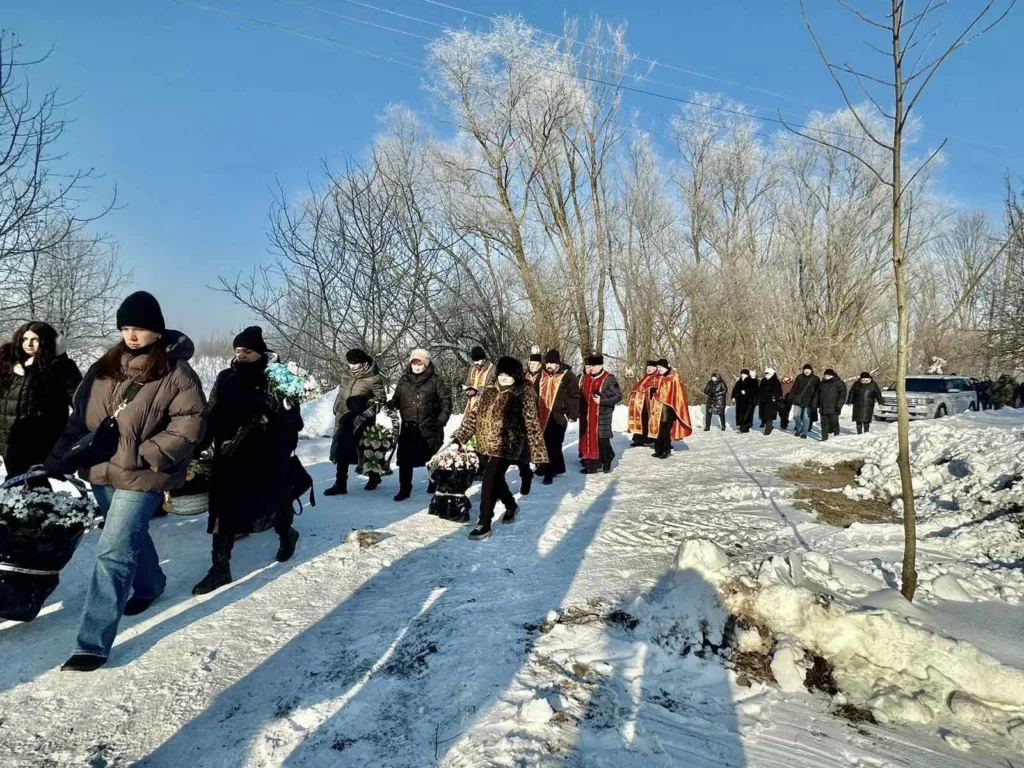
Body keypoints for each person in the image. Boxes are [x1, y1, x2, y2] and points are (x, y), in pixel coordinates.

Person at [45, 291, 206, 672]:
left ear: (157, 330)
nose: (132, 336)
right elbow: (79, 421)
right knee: (131, 537)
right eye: (127, 328)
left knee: (113, 550)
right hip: (102, 471)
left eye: (141, 328)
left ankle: (92, 644)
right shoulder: (103, 368)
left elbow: (190, 426)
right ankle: (151, 585)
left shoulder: (177, 373)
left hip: (144, 475)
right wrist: (56, 461)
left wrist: (146, 454)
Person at [191, 327, 303, 596]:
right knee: (222, 508)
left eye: (247, 351)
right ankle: (220, 567)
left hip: (267, 453)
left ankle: (287, 534)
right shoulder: (226, 378)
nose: (241, 356)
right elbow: (212, 413)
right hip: (230, 453)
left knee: (274, 500)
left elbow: (294, 421)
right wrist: (199, 446)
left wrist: (274, 407)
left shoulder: (277, 380)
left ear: (260, 353)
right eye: (238, 351)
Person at [452, 357, 548, 541]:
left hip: (507, 445)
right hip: (484, 443)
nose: (504, 378)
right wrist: (460, 436)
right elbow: (474, 416)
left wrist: (538, 452)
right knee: (496, 480)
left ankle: (484, 522)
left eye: (509, 375)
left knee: (489, 479)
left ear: (516, 375)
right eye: (502, 374)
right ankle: (511, 505)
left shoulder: (523, 393)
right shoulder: (488, 389)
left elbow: (532, 423)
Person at [0, 321, 82, 477]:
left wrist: (62, 359)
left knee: (34, 484)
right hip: (9, 440)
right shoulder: (8, 364)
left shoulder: (57, 367)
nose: (28, 344)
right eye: (25, 339)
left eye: (35, 340)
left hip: (39, 441)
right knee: (16, 484)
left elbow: (79, 400)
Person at [390, 348, 452, 501]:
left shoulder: (435, 380)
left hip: (430, 427)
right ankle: (405, 488)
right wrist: (391, 404)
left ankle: (434, 483)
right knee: (405, 460)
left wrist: (441, 421)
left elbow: (446, 402)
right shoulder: (404, 380)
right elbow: (397, 398)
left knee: (432, 459)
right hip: (409, 427)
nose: (416, 367)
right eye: (414, 363)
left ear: (426, 364)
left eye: (420, 364)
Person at [325, 349, 386, 496]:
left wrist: (365, 405)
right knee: (341, 449)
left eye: (355, 363)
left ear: (363, 362)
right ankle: (340, 483)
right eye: (350, 363)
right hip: (344, 416)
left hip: (362, 419)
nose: (352, 366)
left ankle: (374, 476)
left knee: (365, 449)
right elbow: (341, 394)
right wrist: (337, 408)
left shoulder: (373, 377)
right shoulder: (346, 375)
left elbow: (381, 399)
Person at [536, 350, 580, 485]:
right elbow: (534, 392)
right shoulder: (541, 375)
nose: (549, 365)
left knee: (554, 444)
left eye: (552, 363)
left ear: (558, 363)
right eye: (547, 362)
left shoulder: (567, 376)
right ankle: (555, 467)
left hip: (559, 415)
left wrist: (573, 413)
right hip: (542, 414)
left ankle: (549, 472)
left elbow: (574, 395)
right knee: (544, 443)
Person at [578, 354, 622, 474]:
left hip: (602, 415)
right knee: (589, 440)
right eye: (590, 365)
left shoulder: (609, 378)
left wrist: (601, 400)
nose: (591, 368)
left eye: (594, 366)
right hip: (587, 415)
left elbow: (618, 396)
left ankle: (607, 459)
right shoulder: (586, 378)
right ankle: (592, 465)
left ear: (600, 365)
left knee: (602, 441)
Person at [651, 359, 692, 459]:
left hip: (669, 408)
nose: (658, 369)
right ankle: (658, 449)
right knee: (658, 429)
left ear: (665, 367)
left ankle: (666, 450)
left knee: (665, 429)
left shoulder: (674, 378)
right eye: (657, 367)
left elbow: (678, 394)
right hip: (657, 408)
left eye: (660, 367)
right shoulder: (658, 377)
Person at [627, 361, 662, 447]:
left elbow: (659, 390)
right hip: (641, 405)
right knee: (640, 421)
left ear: (655, 368)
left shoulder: (658, 378)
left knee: (651, 422)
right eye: (647, 368)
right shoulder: (644, 378)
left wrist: (651, 391)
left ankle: (655, 440)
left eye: (650, 367)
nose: (648, 369)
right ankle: (638, 439)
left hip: (651, 404)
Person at [463, 346, 494, 417]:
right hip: (472, 403)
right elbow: (468, 382)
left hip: (485, 404)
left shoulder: (493, 369)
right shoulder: (472, 368)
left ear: (483, 359)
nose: (476, 363)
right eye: (474, 361)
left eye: (478, 360)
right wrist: (468, 389)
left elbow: (494, 387)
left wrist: (482, 390)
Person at [791, 364, 820, 439]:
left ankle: (804, 432)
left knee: (806, 418)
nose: (806, 371)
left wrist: (816, 400)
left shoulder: (815, 378)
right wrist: (791, 396)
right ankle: (799, 429)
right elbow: (794, 387)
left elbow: (818, 390)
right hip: (798, 400)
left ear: (811, 370)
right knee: (796, 416)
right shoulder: (799, 377)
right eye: (805, 370)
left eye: (808, 370)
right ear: (803, 370)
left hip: (809, 401)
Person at [818, 369, 847, 441]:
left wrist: (839, 405)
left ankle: (836, 436)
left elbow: (842, 395)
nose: (826, 377)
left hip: (834, 407)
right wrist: (815, 403)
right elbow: (817, 394)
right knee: (824, 423)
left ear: (833, 375)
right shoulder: (822, 383)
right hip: (823, 407)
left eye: (828, 375)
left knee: (834, 423)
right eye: (825, 375)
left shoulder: (839, 383)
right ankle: (824, 437)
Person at [730, 370, 758, 434]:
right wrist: (733, 397)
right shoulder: (739, 382)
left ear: (747, 375)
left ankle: (743, 428)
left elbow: (754, 390)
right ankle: (743, 427)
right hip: (740, 401)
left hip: (748, 401)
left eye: (744, 374)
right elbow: (735, 390)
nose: (742, 375)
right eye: (742, 374)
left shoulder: (752, 381)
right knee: (741, 414)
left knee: (747, 414)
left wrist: (746, 392)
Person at [757, 368, 782, 435]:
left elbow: (778, 391)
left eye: (767, 374)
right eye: (765, 374)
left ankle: (768, 429)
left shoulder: (776, 381)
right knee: (764, 415)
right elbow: (759, 389)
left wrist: (775, 397)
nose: (766, 375)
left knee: (769, 415)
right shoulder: (763, 380)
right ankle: (770, 426)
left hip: (772, 400)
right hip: (763, 400)